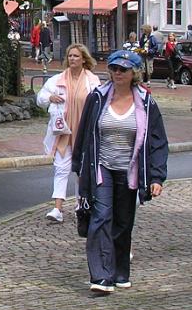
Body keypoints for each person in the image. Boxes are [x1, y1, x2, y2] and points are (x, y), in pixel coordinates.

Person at [72, 49, 168, 293]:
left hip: (130, 170)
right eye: (114, 68)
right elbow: (84, 133)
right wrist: (78, 165)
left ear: (134, 73)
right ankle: (101, 276)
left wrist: (157, 176)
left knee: (123, 223)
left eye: (123, 70)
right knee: (100, 217)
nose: (117, 73)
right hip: (101, 167)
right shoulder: (98, 98)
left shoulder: (146, 103)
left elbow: (157, 141)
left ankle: (120, 271)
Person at [36, 43, 101, 223]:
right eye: (70, 56)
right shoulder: (57, 80)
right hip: (64, 131)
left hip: (84, 131)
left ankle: (81, 204)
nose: (72, 59)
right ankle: (57, 208)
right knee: (61, 168)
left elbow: (99, 102)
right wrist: (49, 98)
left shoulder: (92, 80)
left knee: (82, 170)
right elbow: (40, 98)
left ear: (84, 59)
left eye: (76, 56)